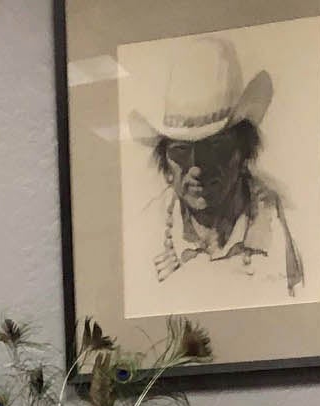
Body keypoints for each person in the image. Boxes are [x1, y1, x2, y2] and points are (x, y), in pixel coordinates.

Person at [129, 36, 304, 301]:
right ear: (165, 164)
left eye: (215, 147)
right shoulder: (143, 231)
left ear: (243, 152)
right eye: (181, 150)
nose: (197, 169)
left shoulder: (283, 225)